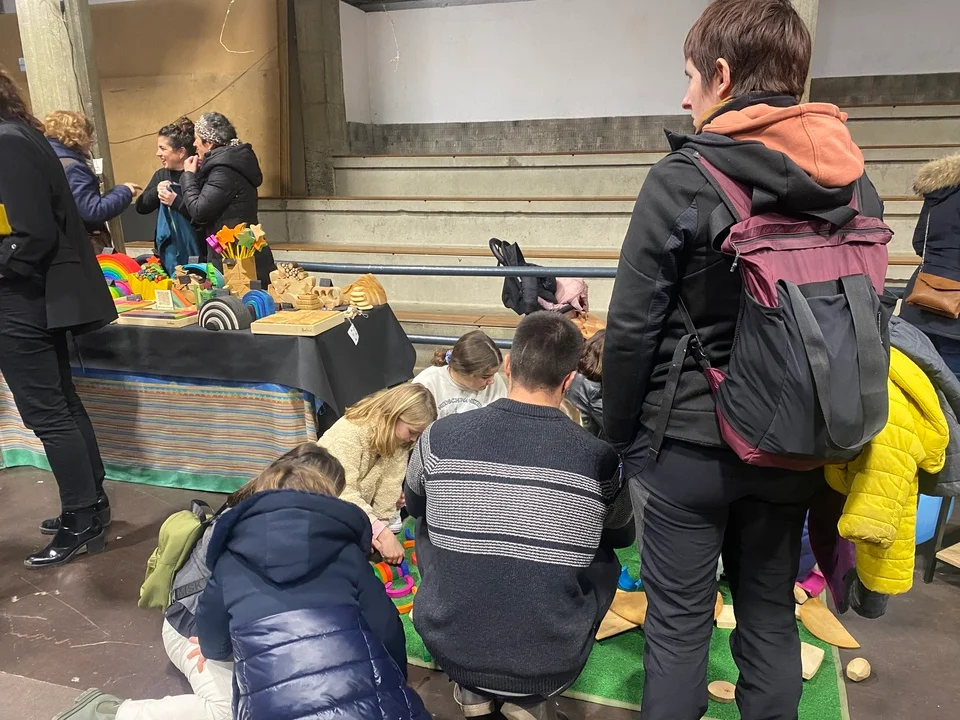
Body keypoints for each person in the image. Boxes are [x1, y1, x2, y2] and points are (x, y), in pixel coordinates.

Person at [601, 2, 886, 718]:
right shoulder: (855, 184)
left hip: (688, 447)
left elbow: (631, 329)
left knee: (678, 628)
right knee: (769, 613)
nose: (685, 97)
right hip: (795, 442)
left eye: (691, 77)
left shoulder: (683, 178)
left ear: (723, 76)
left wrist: (621, 438)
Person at [406, 313, 633, 720]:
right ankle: (527, 700)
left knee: (425, 522)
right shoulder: (600, 457)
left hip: (448, 644)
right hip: (551, 661)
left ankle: (473, 690)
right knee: (605, 549)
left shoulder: (437, 436)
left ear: (508, 366)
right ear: (568, 381)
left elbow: (415, 505)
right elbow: (622, 535)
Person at [0, 70, 118, 568]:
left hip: (19, 296)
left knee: (47, 413)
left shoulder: (6, 141)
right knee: (62, 404)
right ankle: (92, 503)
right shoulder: (18, 134)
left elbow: (30, 234)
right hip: (34, 295)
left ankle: (80, 517)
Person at [317, 383, 437, 564]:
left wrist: (380, 527)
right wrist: (380, 532)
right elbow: (340, 490)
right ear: (395, 414)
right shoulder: (349, 433)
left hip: (357, 515)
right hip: (322, 512)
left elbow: (388, 486)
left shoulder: (399, 440)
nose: (413, 439)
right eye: (412, 432)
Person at [180, 112, 276, 284]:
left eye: (197, 138)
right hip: (236, 253)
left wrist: (188, 176)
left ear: (209, 143)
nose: (194, 144)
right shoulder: (229, 164)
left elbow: (199, 211)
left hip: (235, 259)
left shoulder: (224, 170)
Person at [44, 110, 141, 254]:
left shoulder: (47, 159)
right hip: (82, 243)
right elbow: (92, 211)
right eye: (89, 136)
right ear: (79, 136)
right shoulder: (72, 167)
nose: (91, 142)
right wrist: (124, 191)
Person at [898, 153, 960, 379]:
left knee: (923, 385)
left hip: (920, 302)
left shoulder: (940, 190)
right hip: (954, 323)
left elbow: (919, 244)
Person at [412, 330, 507, 417]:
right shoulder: (427, 382)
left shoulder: (496, 382)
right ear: (463, 371)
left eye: (494, 374)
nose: (492, 381)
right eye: (485, 377)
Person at [566, 329, 605, 439]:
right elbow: (612, 427)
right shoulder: (594, 388)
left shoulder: (579, 370)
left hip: (574, 430)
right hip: (588, 437)